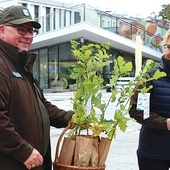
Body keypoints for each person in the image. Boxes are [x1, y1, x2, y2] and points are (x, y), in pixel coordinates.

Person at [0, 5, 74, 170]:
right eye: (21, 29)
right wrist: (23, 151)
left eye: (31, 31)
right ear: (2, 30)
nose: (27, 36)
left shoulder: (20, 64)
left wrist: (69, 118)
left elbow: (41, 105)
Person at [129, 29, 170, 170]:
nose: (169, 51)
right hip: (153, 153)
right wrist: (165, 123)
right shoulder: (149, 76)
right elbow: (137, 110)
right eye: (168, 46)